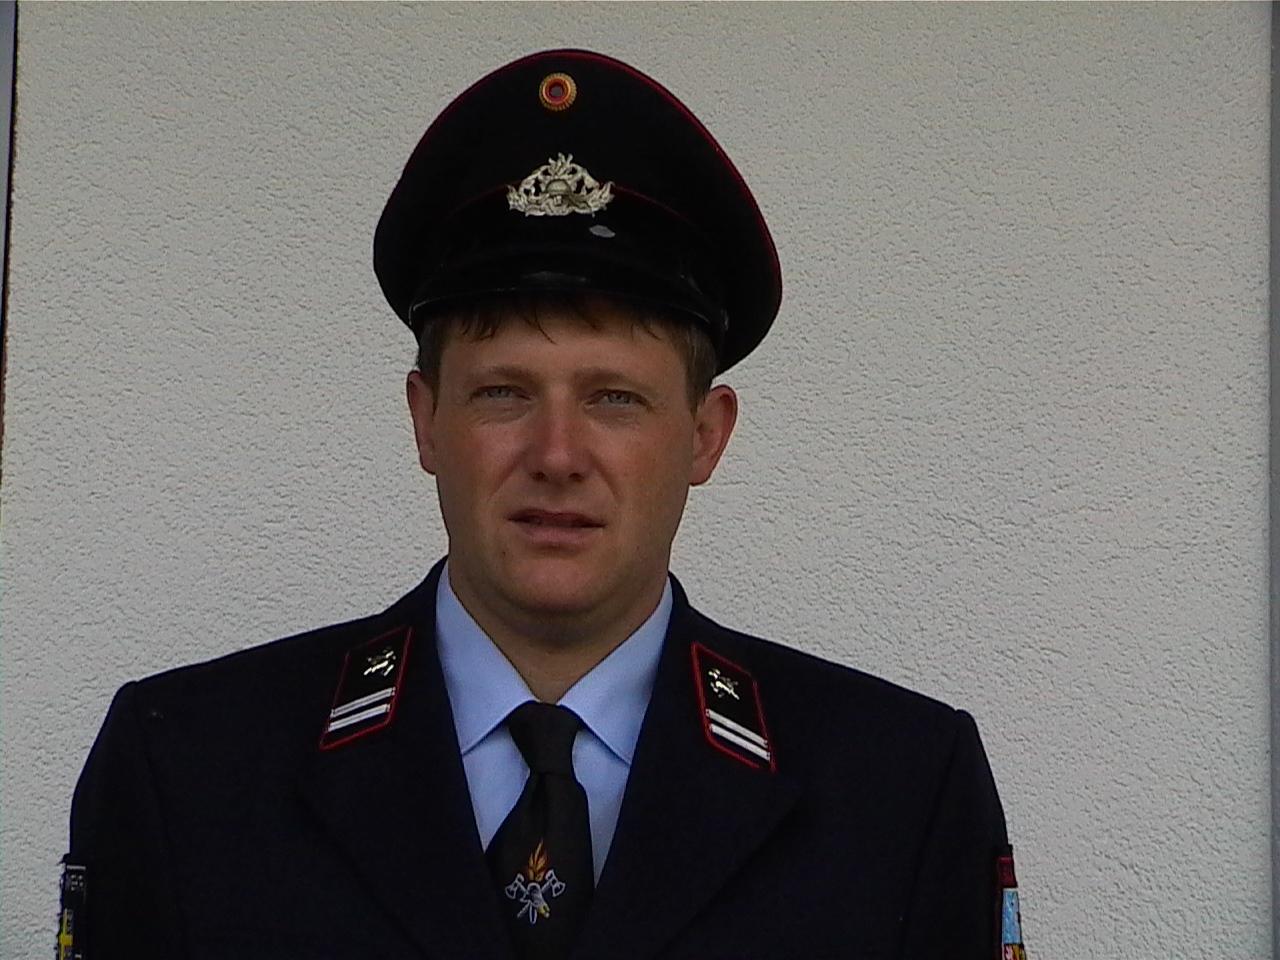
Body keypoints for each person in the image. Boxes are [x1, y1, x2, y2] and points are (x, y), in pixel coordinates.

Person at [62, 49, 1025, 960]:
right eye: (503, 393)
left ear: (705, 435)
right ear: (426, 421)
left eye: (615, 399)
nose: (557, 456)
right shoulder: (187, 767)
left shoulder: (900, 790)